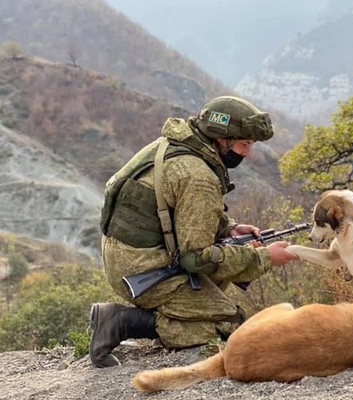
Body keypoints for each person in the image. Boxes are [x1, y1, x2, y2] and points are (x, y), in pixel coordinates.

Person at [90, 95, 299, 368]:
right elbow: (196, 258)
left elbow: (172, 206)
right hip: (145, 270)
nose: (247, 152)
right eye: (243, 143)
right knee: (227, 326)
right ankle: (120, 321)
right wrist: (264, 258)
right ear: (221, 138)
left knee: (222, 289)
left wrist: (229, 228)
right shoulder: (198, 175)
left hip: (130, 255)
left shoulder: (178, 144)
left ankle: (173, 312)